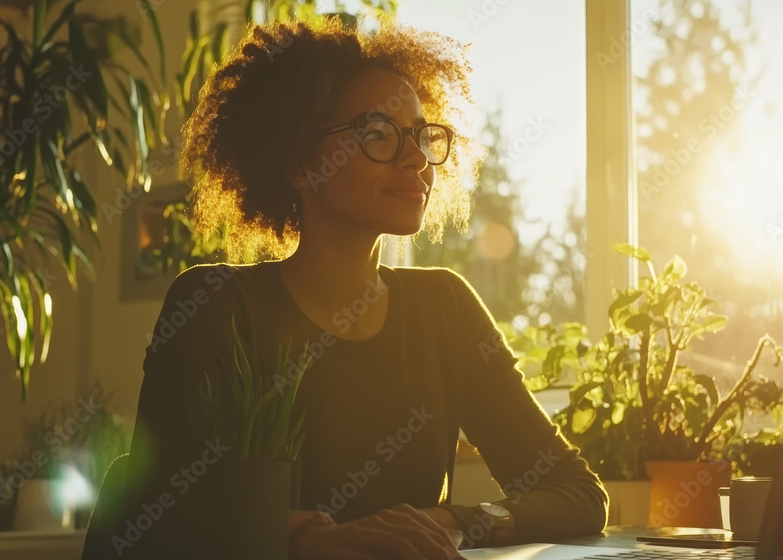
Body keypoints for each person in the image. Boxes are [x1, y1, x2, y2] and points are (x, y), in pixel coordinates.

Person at [119, 15, 609, 560]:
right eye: (377, 133)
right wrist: (312, 541)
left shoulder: (445, 310)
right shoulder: (214, 307)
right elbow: (155, 515)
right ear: (300, 163)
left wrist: (452, 520)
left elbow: (579, 494)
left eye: (422, 135)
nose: (417, 158)